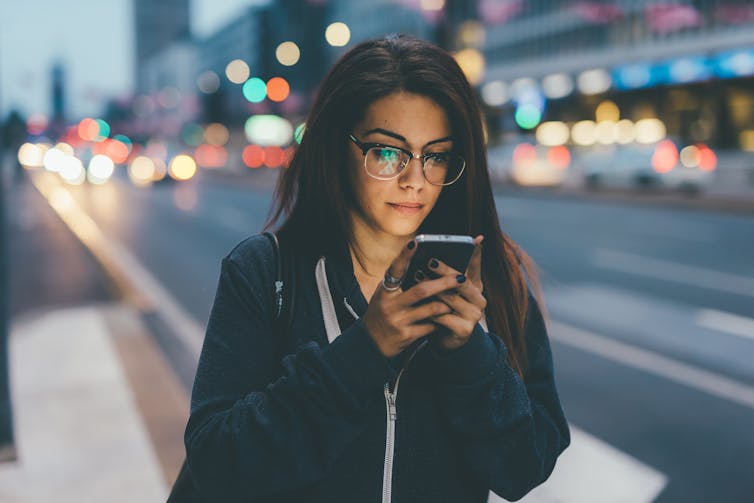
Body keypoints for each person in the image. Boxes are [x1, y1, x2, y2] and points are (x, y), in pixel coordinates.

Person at [185, 34, 569, 502]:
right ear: (337, 148)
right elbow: (216, 462)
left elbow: (523, 467)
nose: (414, 180)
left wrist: (469, 354)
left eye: (436, 155)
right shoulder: (266, 271)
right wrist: (365, 350)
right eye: (388, 152)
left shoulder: (492, 280)